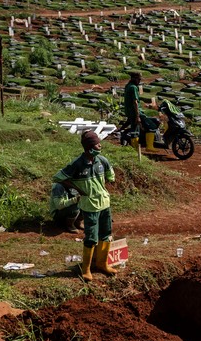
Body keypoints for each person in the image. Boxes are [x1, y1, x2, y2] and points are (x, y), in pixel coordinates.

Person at [55, 130, 116, 282]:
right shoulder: (77, 164)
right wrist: (78, 189)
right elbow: (58, 177)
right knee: (91, 237)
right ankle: (86, 269)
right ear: (89, 147)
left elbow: (111, 177)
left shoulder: (102, 161)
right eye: (96, 143)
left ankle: (103, 264)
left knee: (106, 234)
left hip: (104, 203)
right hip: (89, 207)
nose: (100, 145)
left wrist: (100, 189)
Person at [123, 71, 142, 140]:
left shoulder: (128, 85)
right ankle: (135, 147)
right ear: (134, 78)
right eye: (139, 79)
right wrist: (138, 116)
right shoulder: (133, 87)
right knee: (135, 131)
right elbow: (135, 102)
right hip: (134, 112)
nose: (139, 81)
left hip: (129, 111)